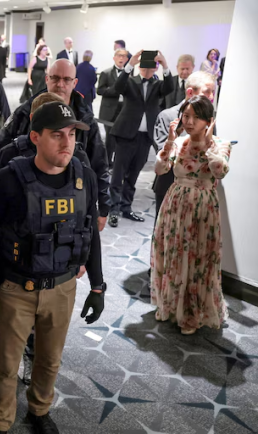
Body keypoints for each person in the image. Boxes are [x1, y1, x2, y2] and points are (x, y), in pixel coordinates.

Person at [0, 101, 105, 434]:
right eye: (57, 135)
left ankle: (39, 411)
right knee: (7, 364)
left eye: (72, 134)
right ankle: (1, 422)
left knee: (50, 360)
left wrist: (98, 286)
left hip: (63, 287)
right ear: (35, 137)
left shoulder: (84, 178)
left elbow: (91, 234)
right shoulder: (8, 180)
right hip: (17, 288)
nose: (67, 142)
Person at [0, 59, 112, 232]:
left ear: (74, 83)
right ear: (47, 79)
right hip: (26, 203)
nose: (60, 84)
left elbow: (99, 164)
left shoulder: (85, 119)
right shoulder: (24, 112)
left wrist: (103, 206)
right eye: (55, 78)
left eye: (66, 79)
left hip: (69, 203)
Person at [151, 96, 230, 335]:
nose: (190, 121)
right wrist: (169, 141)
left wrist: (207, 145)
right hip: (175, 203)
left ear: (209, 121)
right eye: (186, 116)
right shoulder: (178, 143)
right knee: (173, 253)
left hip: (203, 208)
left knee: (199, 258)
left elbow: (220, 171)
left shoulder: (221, 144)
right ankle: (170, 305)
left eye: (196, 117)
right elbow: (160, 169)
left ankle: (192, 314)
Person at [107, 50, 174, 228]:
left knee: (134, 174)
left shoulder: (158, 85)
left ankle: (126, 207)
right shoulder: (130, 81)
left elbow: (170, 88)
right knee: (118, 174)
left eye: (150, 67)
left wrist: (165, 65)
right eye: (144, 67)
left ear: (155, 68)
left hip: (145, 138)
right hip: (126, 135)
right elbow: (117, 87)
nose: (146, 70)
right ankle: (113, 209)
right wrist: (130, 64)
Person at [153, 71, 216, 221]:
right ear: (190, 92)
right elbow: (162, 152)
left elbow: (212, 151)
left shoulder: (209, 119)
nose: (212, 97)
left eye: (213, 92)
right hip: (169, 184)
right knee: (165, 230)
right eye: (207, 92)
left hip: (199, 191)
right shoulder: (167, 116)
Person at [97, 48, 128, 167]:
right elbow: (100, 90)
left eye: (124, 56)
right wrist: (115, 91)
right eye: (119, 55)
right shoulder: (106, 73)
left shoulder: (128, 74)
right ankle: (107, 162)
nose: (121, 58)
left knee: (120, 137)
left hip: (123, 109)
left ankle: (116, 162)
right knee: (109, 137)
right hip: (109, 110)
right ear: (114, 58)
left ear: (126, 59)